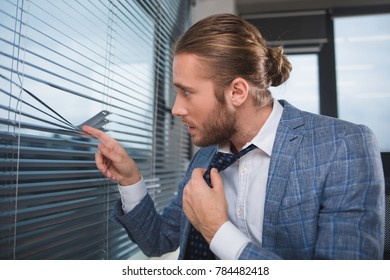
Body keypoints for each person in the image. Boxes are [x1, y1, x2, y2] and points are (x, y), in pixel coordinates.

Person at [82, 13, 385, 260]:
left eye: (186, 92)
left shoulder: (343, 147)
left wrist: (218, 231)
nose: (176, 109)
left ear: (237, 92)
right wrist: (130, 179)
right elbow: (159, 240)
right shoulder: (205, 158)